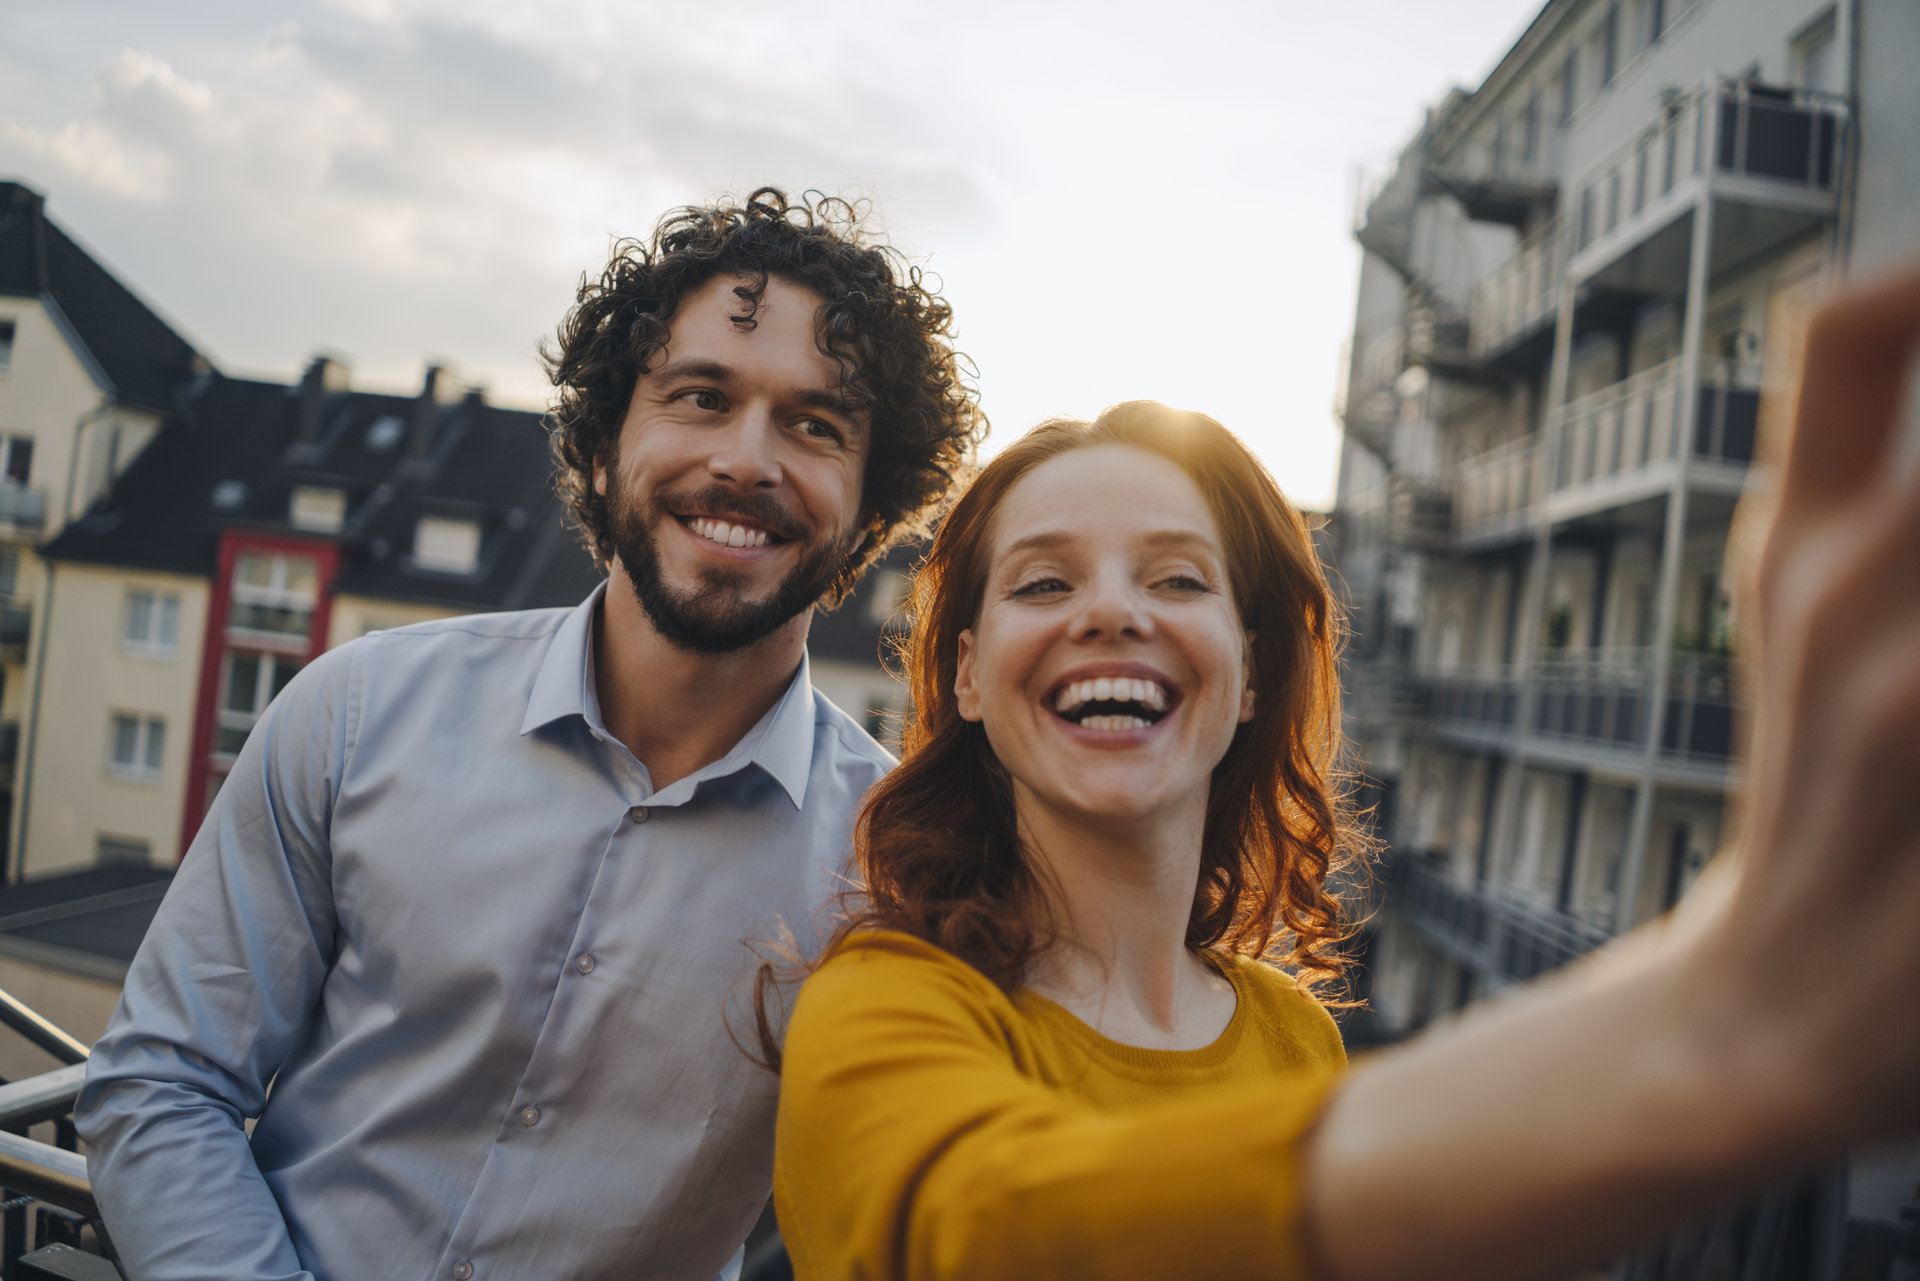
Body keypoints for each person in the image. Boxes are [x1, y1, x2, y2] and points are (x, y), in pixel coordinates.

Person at [770, 267, 1920, 1281]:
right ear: (968, 676)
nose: (1113, 610)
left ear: (1253, 672)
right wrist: (1692, 1040)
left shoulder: (1295, 1037)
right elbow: (976, 1240)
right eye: (1042, 583)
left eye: (1177, 580)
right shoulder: (881, 1004)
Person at [74, 188, 984, 1281]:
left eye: (815, 424)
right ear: (602, 451)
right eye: (700, 396)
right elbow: (164, 1082)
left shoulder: (890, 877)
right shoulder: (357, 710)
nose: (749, 459)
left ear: (870, 515)